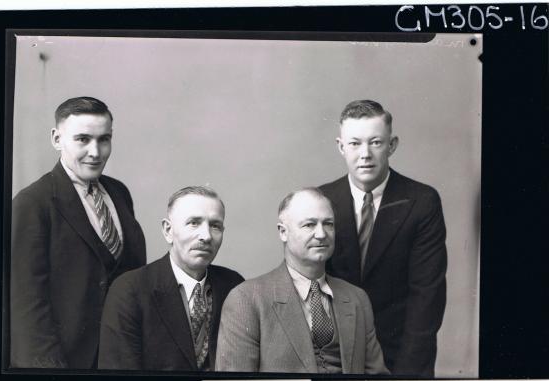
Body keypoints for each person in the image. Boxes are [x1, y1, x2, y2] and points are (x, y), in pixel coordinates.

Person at [10, 97, 147, 368]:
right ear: (57, 138)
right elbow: (27, 304)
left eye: (104, 139)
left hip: (119, 357)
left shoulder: (119, 193)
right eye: (83, 139)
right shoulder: (32, 203)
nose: (95, 152)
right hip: (64, 361)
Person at [319, 100, 447, 377]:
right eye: (355, 144)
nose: (365, 154)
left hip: (402, 354)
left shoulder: (422, 202)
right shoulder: (321, 201)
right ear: (341, 147)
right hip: (333, 355)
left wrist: (406, 373)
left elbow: (427, 296)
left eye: (375, 142)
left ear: (392, 145)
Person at [215, 188, 388, 375]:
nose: (322, 234)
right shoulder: (246, 299)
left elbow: (377, 377)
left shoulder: (356, 298)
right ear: (283, 232)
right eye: (309, 225)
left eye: (328, 224)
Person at [98, 186, 244, 371]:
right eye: (194, 223)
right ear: (168, 230)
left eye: (215, 226)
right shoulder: (129, 290)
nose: (206, 236)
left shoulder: (234, 285)